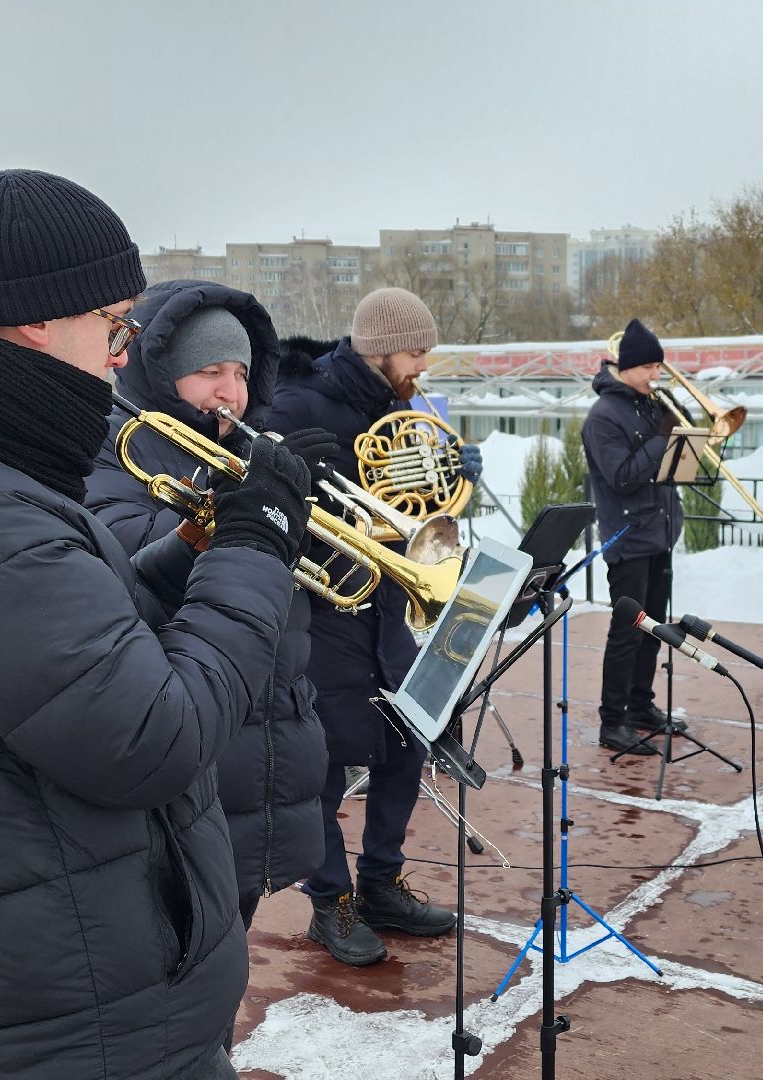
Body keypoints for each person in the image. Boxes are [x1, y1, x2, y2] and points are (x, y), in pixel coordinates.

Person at [0, 169, 311, 1080]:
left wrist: (201, 545)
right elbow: (153, 736)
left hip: (83, 984)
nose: (121, 356)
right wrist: (259, 545)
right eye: (114, 326)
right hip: (77, 1020)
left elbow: (83, 648)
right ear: (41, 320)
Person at [85, 277, 340, 930]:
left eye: (240, 373)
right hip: (191, 746)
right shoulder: (113, 451)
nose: (232, 392)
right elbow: (130, 570)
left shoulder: (246, 449)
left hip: (266, 742)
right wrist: (231, 509)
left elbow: (302, 587)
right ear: (161, 372)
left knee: (226, 962)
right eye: (209, 372)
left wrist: (310, 510)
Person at [264, 287, 483, 966]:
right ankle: (330, 903)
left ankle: (381, 883)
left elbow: (408, 502)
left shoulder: (398, 404)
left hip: (388, 598)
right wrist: (291, 473)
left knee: (407, 742)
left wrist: (449, 476)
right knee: (325, 763)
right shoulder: (298, 402)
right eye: (416, 352)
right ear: (382, 347)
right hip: (324, 607)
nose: (423, 366)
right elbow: (255, 489)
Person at [582, 317, 688, 755]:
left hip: (659, 532)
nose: (656, 376)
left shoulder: (650, 403)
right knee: (627, 630)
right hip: (627, 536)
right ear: (627, 367)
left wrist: (680, 420)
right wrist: (662, 438)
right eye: (648, 368)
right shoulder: (603, 415)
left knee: (655, 628)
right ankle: (613, 720)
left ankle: (642, 706)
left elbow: (677, 447)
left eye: (659, 368)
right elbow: (621, 476)